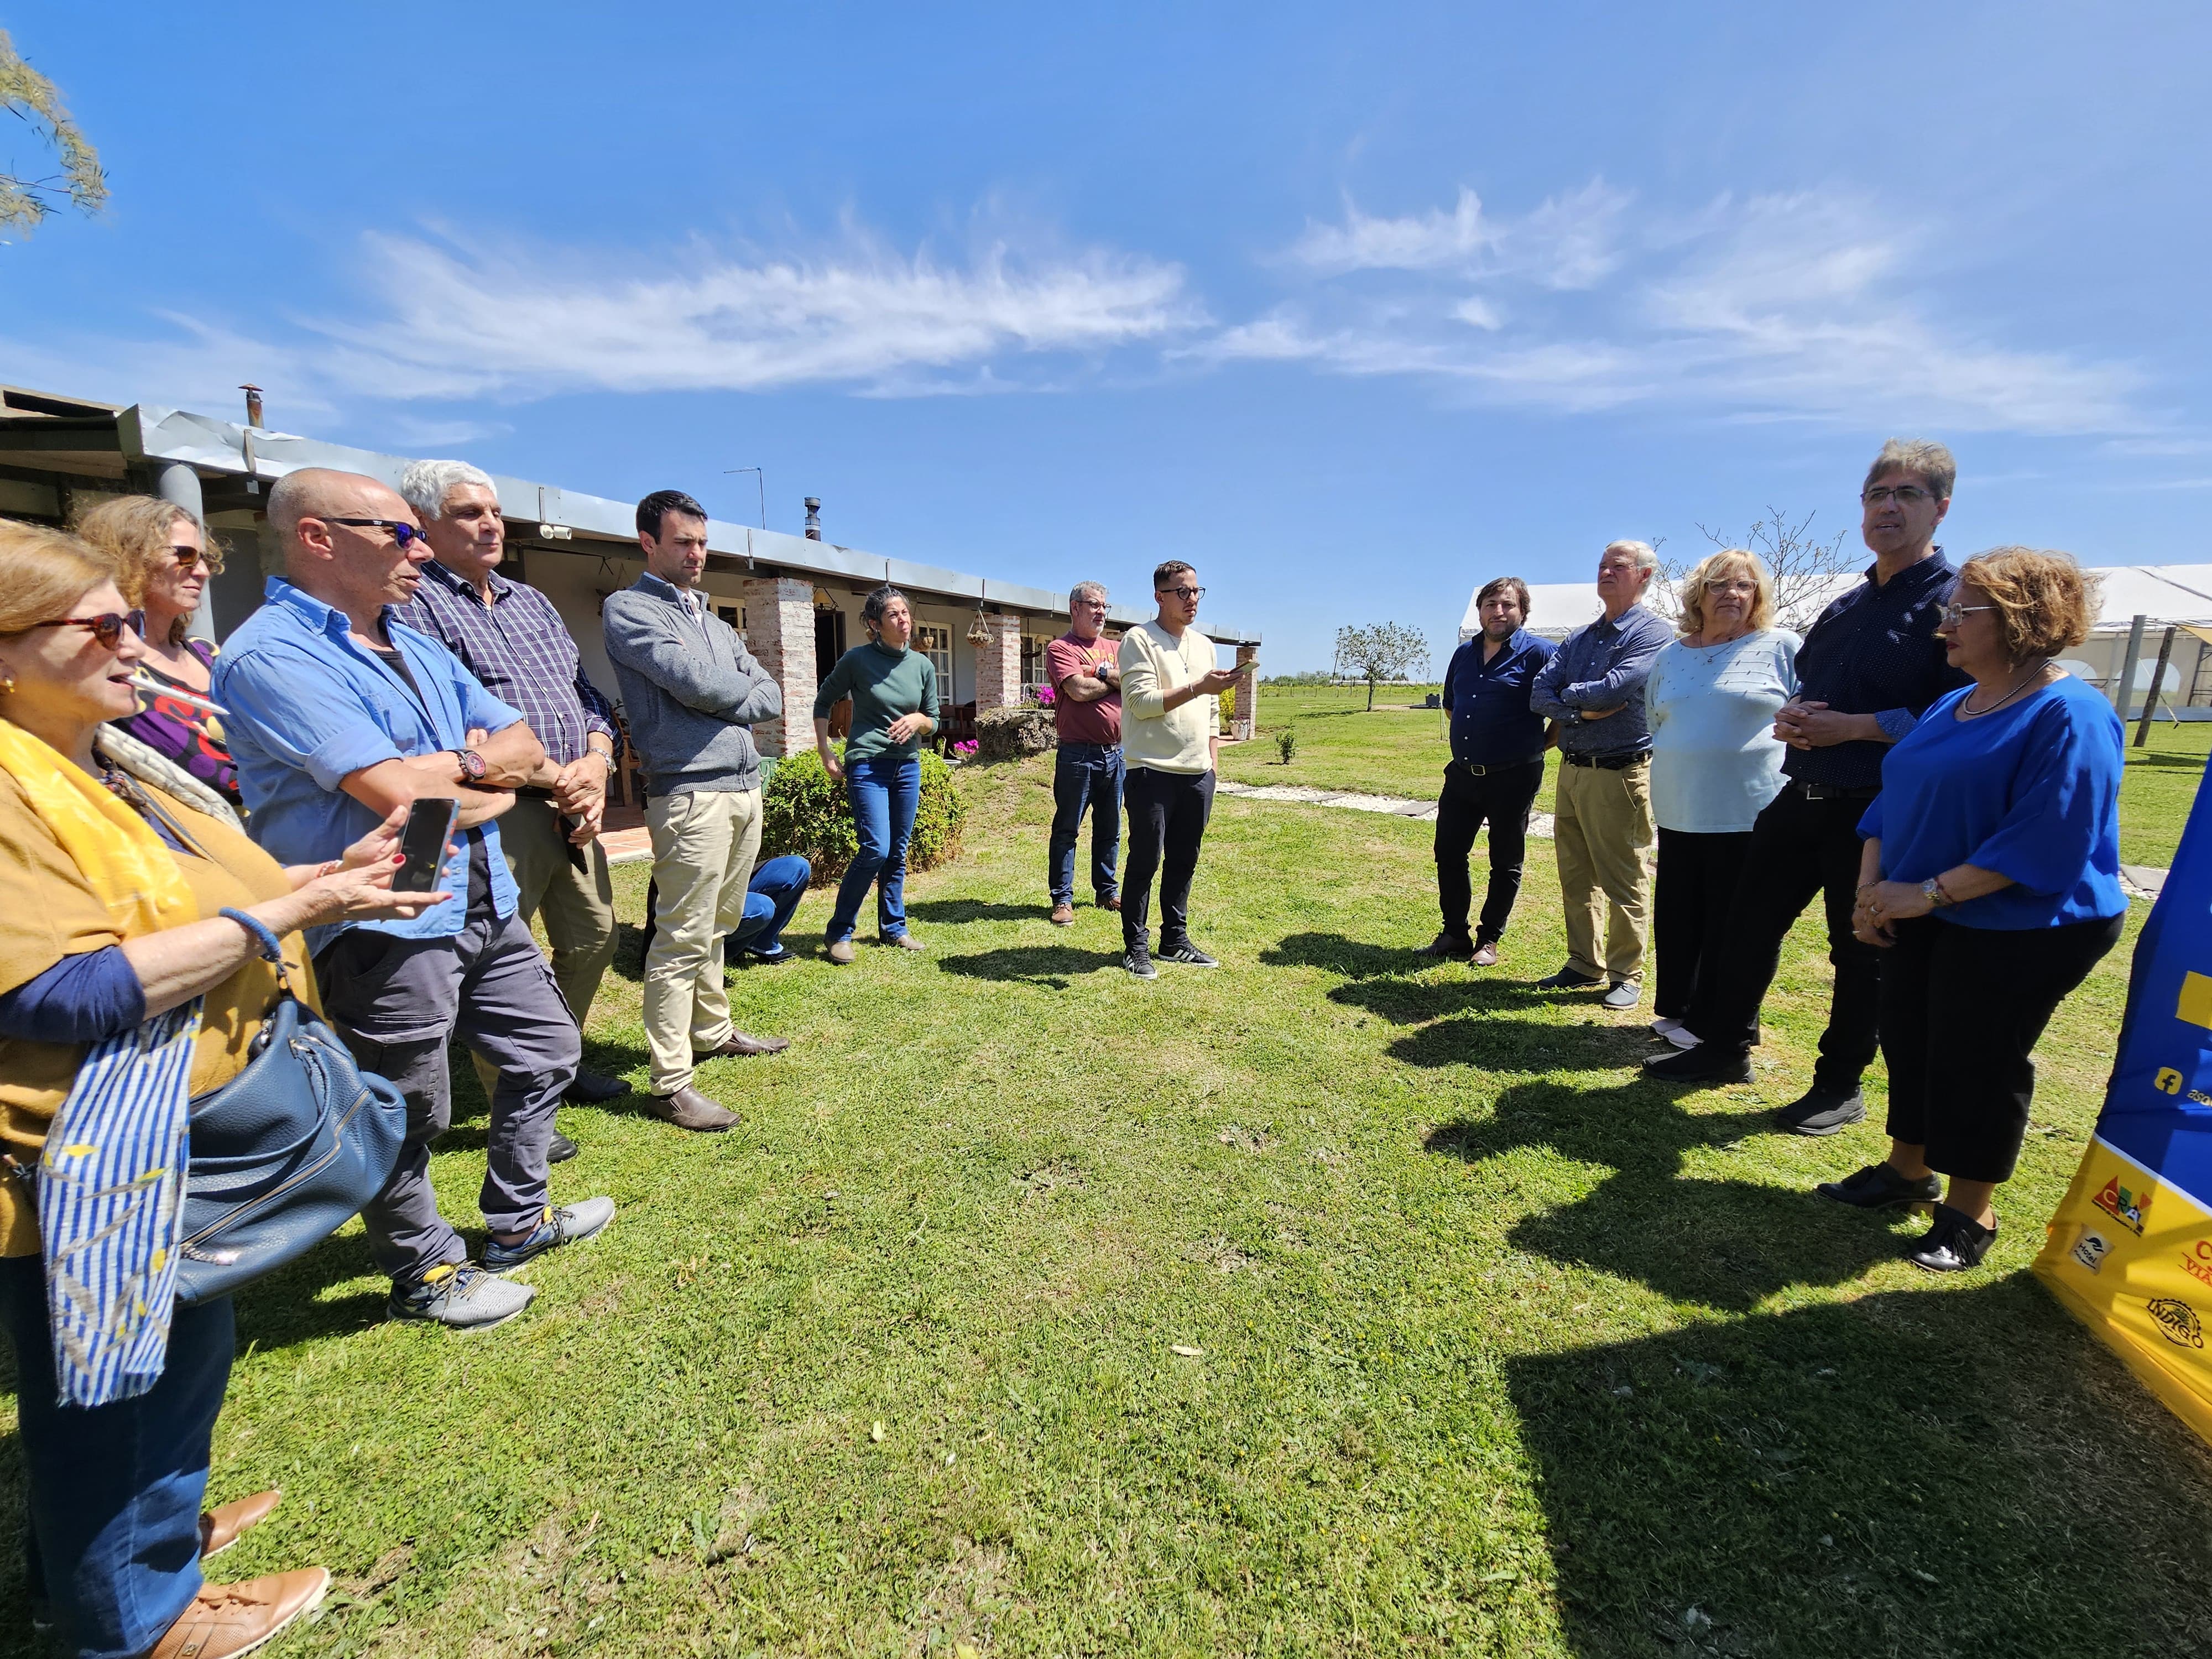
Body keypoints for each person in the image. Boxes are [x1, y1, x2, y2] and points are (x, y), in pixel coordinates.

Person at [0, 523, 439, 1659]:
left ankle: (126, 1556)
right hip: (89, 1154)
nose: (131, 644)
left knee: (147, 1365)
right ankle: (141, 1620)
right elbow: (59, 993)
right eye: (98, 627)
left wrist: (323, 882)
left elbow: (184, 896)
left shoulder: (102, 758)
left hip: (163, 1131)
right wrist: (281, 917)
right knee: (114, 1388)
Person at [216, 468, 613, 1332]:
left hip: (480, 893)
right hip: (384, 917)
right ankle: (425, 1268)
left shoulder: (414, 641)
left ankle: (516, 1219)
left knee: (546, 1050)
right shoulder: (272, 655)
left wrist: (468, 771)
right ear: (319, 537)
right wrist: (475, 770)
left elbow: (517, 740)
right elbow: (400, 790)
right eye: (400, 535)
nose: (421, 549)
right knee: (407, 1102)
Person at [1646, 440, 1968, 1134]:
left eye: (1906, 495)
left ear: (1940, 508)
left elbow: (1957, 717)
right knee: (1744, 927)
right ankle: (1723, 1047)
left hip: (1876, 810)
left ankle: (1837, 1086)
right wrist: (1800, 717)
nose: (1886, 507)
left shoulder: (1952, 606)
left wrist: (1854, 727)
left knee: (1856, 951)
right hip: (1801, 797)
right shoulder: (1846, 607)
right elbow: (1814, 690)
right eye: (1876, 494)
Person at [1820, 549, 2124, 1271]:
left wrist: (1919, 894)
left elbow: (2048, 841)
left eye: (1962, 612)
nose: (1943, 626)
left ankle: (1969, 1212)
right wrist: (1873, 889)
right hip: (1925, 907)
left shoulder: (2071, 712)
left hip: (2026, 923)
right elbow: (1895, 796)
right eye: (1946, 610)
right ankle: (1907, 1171)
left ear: (2022, 620)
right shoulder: (1951, 704)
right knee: (1911, 1036)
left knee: (1977, 1056)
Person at [394, 459, 631, 1123]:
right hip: (499, 810)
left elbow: (586, 695)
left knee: (594, 937)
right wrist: (560, 781)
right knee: (503, 959)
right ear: (425, 524)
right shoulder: (416, 605)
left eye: (494, 511)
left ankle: (560, 1057)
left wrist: (597, 760)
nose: (490, 524)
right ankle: (516, 1102)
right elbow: (453, 729)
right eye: (469, 513)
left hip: (572, 798)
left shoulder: (531, 601)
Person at [602, 489, 790, 1133]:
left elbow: (768, 695)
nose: (696, 554)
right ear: (647, 542)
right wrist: (729, 694)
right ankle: (670, 1082)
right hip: (690, 792)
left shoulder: (715, 621)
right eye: (683, 542)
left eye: (702, 543)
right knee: (681, 936)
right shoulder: (628, 609)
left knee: (719, 921)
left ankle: (711, 1031)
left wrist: (726, 696)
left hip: (742, 788)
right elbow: (693, 683)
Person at [1644, 550, 1799, 1045]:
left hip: (1749, 809)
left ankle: (1722, 1023)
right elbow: (1655, 721)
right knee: (1679, 912)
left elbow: (1806, 715)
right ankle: (1678, 1009)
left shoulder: (1782, 646)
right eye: (1719, 585)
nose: (1732, 594)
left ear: (1758, 596)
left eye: (1744, 586)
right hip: (1680, 803)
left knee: (1733, 920)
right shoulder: (1669, 657)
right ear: (1699, 595)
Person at [1528, 540, 1672, 1009]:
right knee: (1575, 872)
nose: (1607, 571)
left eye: (1619, 566)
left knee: (1623, 875)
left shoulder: (1652, 633)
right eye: (1603, 565)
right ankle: (1583, 963)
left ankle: (1626, 972)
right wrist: (1580, 712)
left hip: (1619, 773)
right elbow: (1539, 692)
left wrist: (1568, 698)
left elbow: (1620, 686)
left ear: (1645, 576)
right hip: (1571, 770)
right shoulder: (1582, 636)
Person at [1421, 576, 1556, 966]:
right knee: (1448, 852)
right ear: (1480, 611)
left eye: (1507, 605)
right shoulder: (1463, 655)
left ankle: (1489, 939)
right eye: (1490, 604)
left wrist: (1539, 745)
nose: (1498, 611)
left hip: (1514, 776)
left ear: (1523, 612)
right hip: (1463, 774)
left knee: (1505, 859)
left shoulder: (1541, 654)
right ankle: (1454, 933)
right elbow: (1452, 705)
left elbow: (1562, 712)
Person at [1117, 560, 1241, 979]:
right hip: (1151, 770)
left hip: (1197, 772)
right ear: (1159, 596)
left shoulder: (1205, 646)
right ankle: (1136, 947)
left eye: (1196, 591)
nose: (1192, 600)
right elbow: (1140, 703)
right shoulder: (1138, 640)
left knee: (1185, 858)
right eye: (1183, 592)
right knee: (1146, 858)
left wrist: (1212, 762)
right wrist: (1199, 687)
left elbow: (1209, 711)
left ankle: (1174, 940)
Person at [76, 495, 242, 808]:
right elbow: (221, 776)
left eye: (205, 559)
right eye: (186, 556)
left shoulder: (210, 654)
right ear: (130, 557)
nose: (203, 572)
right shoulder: (114, 671)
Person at [813, 585, 939, 962]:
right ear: (874, 624)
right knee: (876, 848)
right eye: (894, 615)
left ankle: (894, 928)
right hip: (867, 764)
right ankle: (839, 933)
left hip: (907, 767)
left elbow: (933, 722)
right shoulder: (857, 660)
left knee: (897, 852)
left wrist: (919, 720)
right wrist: (825, 750)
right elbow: (823, 700)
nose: (904, 620)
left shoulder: (923, 666)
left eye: (906, 613)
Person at [1045, 580, 1123, 925]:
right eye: (1094, 605)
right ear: (1075, 607)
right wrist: (1112, 681)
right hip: (1077, 754)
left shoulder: (1116, 647)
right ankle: (1063, 899)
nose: (1101, 612)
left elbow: (1136, 679)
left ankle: (1107, 891)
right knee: (1067, 828)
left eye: (1105, 606)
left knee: (1111, 827)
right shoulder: (1060, 648)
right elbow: (1077, 690)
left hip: (1116, 754)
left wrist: (1099, 672)